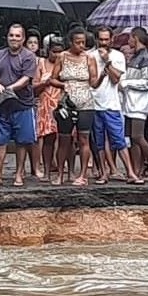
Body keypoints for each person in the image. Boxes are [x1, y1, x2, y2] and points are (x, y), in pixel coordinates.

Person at [0, 24, 40, 186]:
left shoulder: (28, 56)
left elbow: (26, 78)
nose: (14, 39)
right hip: (3, 104)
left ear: (23, 38)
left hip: (22, 104)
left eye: (18, 36)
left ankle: (19, 174)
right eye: (11, 35)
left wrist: (11, 88)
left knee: (22, 141)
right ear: (7, 36)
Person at [91, 26, 142, 184]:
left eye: (107, 39)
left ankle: (130, 173)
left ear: (112, 39)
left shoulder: (118, 56)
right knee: (99, 141)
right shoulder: (90, 56)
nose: (104, 42)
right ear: (97, 39)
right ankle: (103, 173)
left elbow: (116, 79)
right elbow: (92, 82)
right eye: (101, 39)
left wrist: (107, 62)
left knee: (119, 140)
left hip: (112, 104)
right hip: (94, 103)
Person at [48, 27, 98, 186]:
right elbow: (52, 79)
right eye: (78, 42)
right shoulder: (62, 57)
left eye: (83, 42)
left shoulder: (89, 58)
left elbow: (94, 82)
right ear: (71, 42)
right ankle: (60, 174)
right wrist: (64, 85)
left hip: (85, 101)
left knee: (84, 138)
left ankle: (83, 174)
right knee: (64, 139)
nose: (81, 46)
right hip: (67, 102)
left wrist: (103, 76)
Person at [121, 27, 148, 178]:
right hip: (130, 103)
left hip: (139, 104)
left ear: (135, 38)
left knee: (138, 136)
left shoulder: (145, 58)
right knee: (132, 138)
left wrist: (127, 83)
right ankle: (136, 171)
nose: (128, 41)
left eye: (130, 38)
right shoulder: (136, 56)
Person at [34, 36, 65, 181]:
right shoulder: (41, 64)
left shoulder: (67, 65)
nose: (57, 55)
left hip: (62, 106)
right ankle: (46, 171)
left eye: (60, 52)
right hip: (45, 106)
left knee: (66, 139)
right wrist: (45, 83)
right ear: (48, 51)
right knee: (48, 139)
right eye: (54, 52)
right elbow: (33, 88)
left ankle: (62, 170)